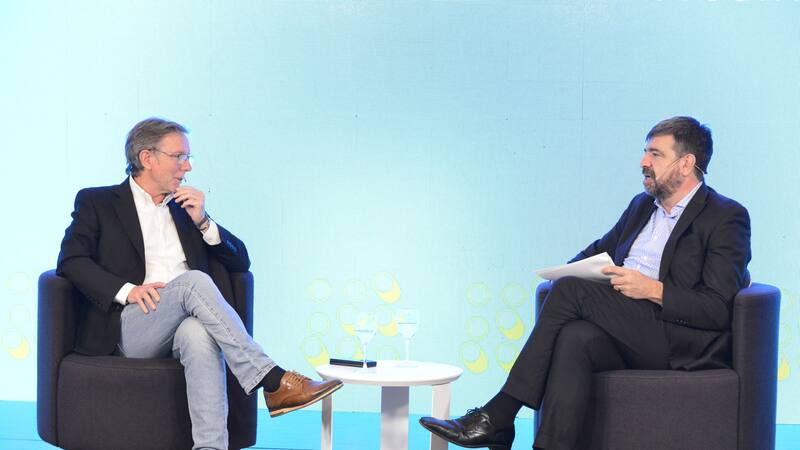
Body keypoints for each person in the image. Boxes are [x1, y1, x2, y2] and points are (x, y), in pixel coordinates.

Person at [419, 116, 751, 450]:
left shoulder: (725, 216)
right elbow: (594, 253)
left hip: (675, 338)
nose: (643, 162)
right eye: (644, 152)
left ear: (686, 163)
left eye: (655, 154)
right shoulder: (641, 207)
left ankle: (499, 415)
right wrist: (565, 272)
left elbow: (717, 308)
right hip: (628, 327)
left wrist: (653, 289)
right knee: (574, 336)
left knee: (570, 292)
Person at [57, 117, 342, 450]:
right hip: (130, 325)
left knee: (197, 331)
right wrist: (128, 291)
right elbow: (71, 261)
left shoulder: (185, 209)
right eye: (179, 157)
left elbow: (241, 261)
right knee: (193, 282)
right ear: (147, 158)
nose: (187, 167)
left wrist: (204, 222)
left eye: (188, 158)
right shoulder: (98, 202)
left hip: (181, 324)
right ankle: (272, 379)